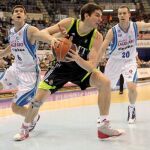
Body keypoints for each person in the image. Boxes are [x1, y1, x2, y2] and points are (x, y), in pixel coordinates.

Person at [14, 3, 124, 141]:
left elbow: (92, 66)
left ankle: (103, 126)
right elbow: (42, 33)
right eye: (97, 15)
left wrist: (77, 58)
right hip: (60, 68)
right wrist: (54, 40)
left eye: (101, 16)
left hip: (81, 68)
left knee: (105, 82)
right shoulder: (69, 23)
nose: (100, 19)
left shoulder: (97, 37)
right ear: (86, 15)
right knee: (37, 100)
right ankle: (25, 128)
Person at [0, 5, 57, 136]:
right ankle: (32, 116)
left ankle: (33, 117)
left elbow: (41, 35)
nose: (18, 12)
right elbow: (12, 46)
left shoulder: (30, 30)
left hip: (29, 74)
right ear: (12, 16)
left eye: (21, 11)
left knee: (15, 107)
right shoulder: (12, 32)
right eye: (16, 11)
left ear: (25, 16)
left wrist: (52, 40)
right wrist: (2, 53)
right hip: (15, 69)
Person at [98, 5, 150, 124]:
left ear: (129, 15)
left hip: (129, 61)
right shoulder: (112, 31)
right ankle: (103, 116)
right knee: (105, 90)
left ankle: (132, 109)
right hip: (114, 61)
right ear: (118, 16)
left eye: (124, 13)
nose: (122, 15)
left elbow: (148, 25)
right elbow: (102, 48)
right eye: (120, 13)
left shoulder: (136, 26)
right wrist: (96, 61)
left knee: (131, 86)